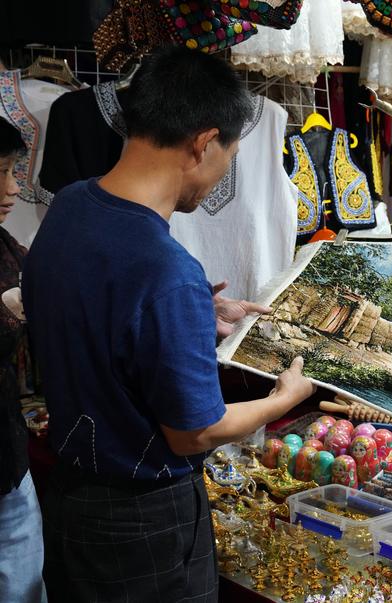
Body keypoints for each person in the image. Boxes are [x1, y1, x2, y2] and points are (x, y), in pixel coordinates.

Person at [22, 46, 315, 602]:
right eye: (226, 156)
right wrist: (285, 398)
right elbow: (194, 432)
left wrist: (190, 318)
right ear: (204, 142)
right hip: (142, 521)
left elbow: (80, 309)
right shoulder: (168, 270)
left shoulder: (72, 206)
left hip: (69, 498)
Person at [0, 118, 45, 603]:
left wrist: (198, 302)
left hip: (8, 460)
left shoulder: (8, 248)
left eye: (13, 171)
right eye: (3, 172)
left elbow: (75, 277)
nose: (13, 188)